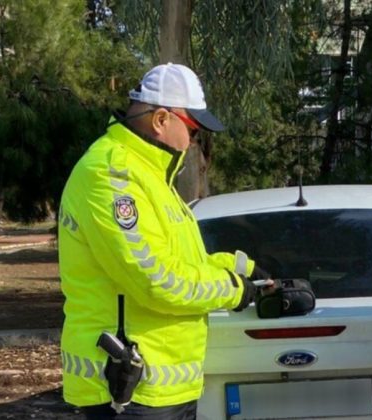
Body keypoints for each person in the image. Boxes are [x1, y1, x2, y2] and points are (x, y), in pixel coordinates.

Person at [58, 63, 270, 419]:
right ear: (160, 120)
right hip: (128, 389)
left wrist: (246, 269)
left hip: (160, 387)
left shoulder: (151, 177)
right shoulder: (112, 177)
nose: (193, 142)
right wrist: (233, 290)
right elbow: (156, 280)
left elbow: (183, 262)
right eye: (193, 130)